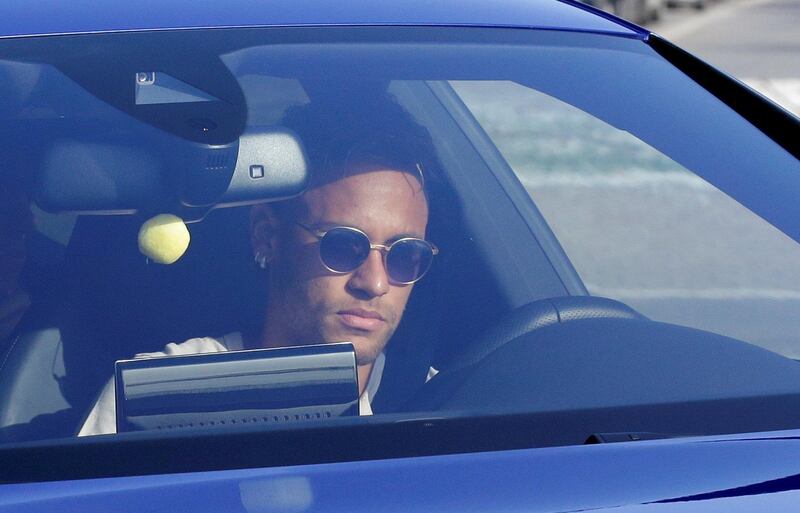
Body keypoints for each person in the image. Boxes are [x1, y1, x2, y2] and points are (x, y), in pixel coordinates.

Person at [78, 91, 441, 436]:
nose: (375, 282)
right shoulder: (159, 398)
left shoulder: (443, 402)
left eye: (406, 255)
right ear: (267, 235)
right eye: (344, 246)